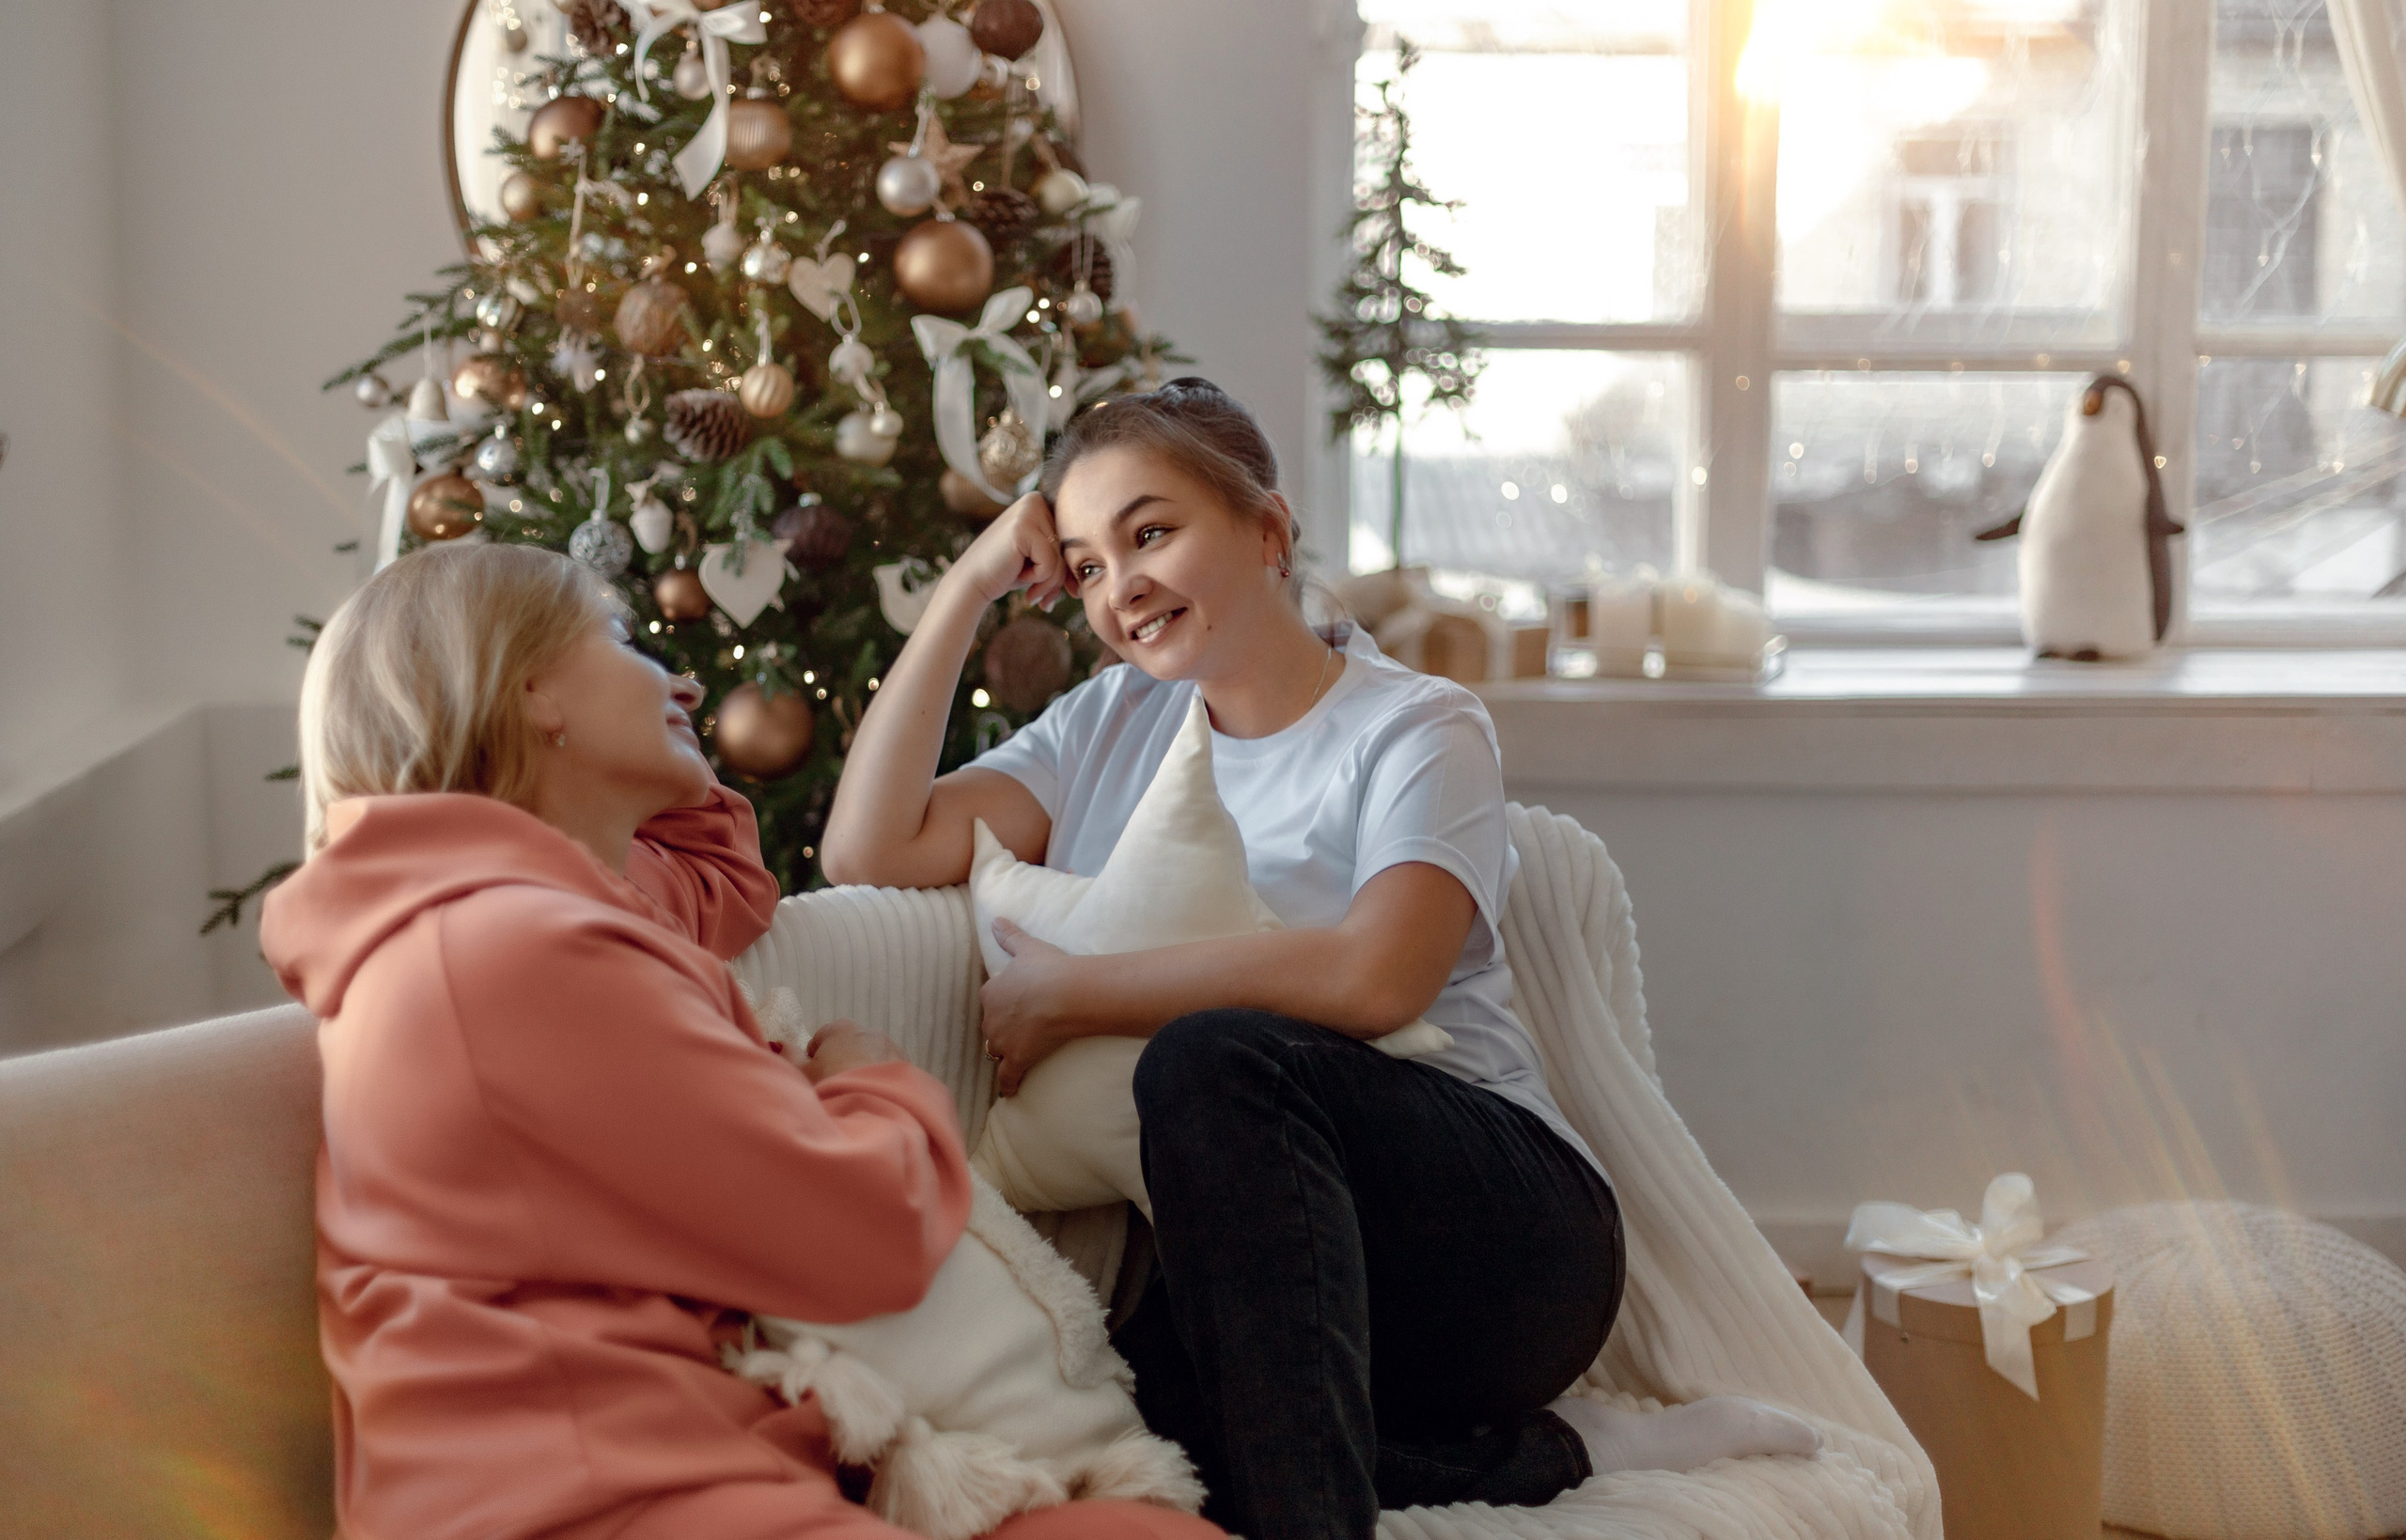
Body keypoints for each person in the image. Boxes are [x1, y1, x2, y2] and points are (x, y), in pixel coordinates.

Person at [821, 379, 1821, 1540]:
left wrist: (1076, 992)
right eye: (1088, 565)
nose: (1123, 585)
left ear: (1267, 531)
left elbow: (1374, 979)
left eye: (1151, 532)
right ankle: (1557, 1450)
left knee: (1209, 1060)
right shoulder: (1108, 724)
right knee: (1120, 1421)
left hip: (1500, 1248)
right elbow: (867, 847)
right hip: (1274, 1269)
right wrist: (967, 586)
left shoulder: (1418, 726)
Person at [258, 543, 1219, 1540]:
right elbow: (868, 1235)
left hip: (697, 1469)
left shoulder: (523, 915)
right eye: (623, 640)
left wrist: (642, 731)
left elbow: (723, 878)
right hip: (604, 1501)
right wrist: (874, 1080)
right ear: (534, 689)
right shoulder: (510, 955)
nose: (680, 677)